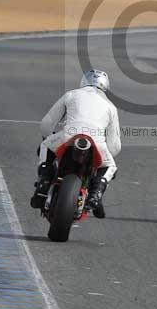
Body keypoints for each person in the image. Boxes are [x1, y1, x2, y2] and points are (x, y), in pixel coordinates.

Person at [31, 69, 121, 218]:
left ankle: (44, 182)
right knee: (110, 165)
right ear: (105, 86)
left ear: (83, 82)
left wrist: (47, 137)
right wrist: (107, 152)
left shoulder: (71, 94)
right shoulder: (111, 107)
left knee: (46, 145)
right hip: (96, 141)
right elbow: (114, 146)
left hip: (69, 135)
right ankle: (96, 194)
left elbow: (47, 123)